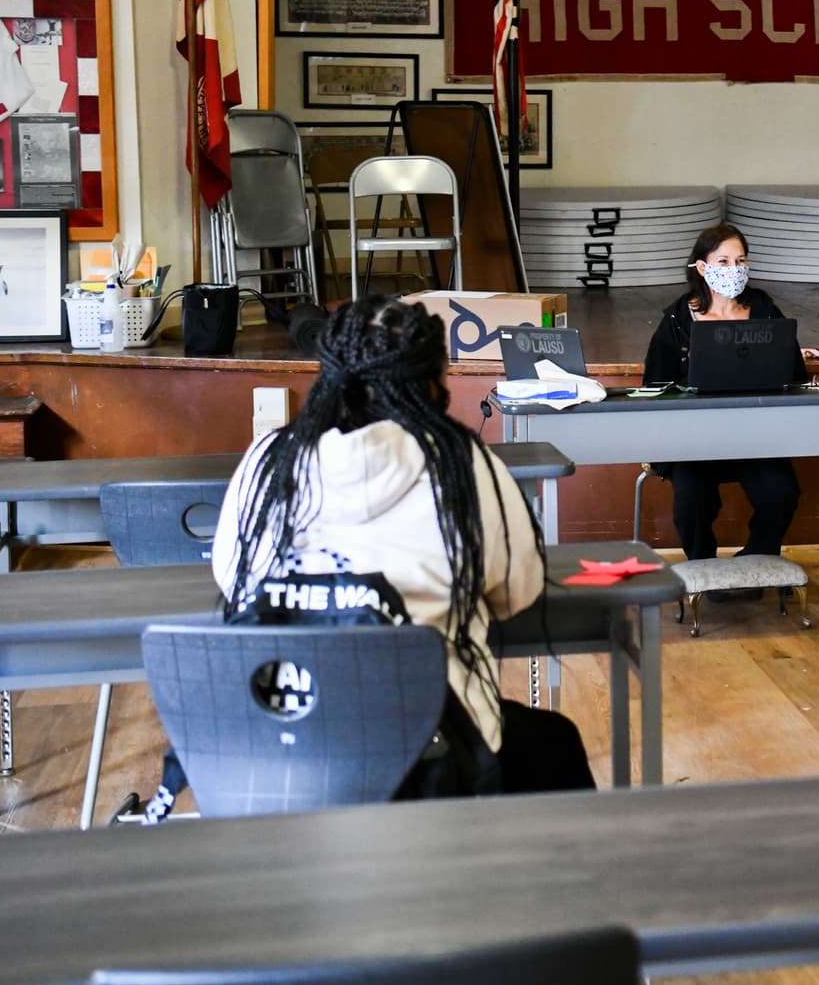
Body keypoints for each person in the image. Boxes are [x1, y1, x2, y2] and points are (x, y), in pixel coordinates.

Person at [210, 295, 594, 794]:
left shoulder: (269, 461)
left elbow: (232, 577)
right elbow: (515, 592)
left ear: (327, 375)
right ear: (433, 383)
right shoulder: (461, 462)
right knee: (554, 742)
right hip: (431, 753)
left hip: (286, 746)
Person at [643, 223, 808, 569]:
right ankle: (704, 569)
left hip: (755, 436)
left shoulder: (762, 307)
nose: (734, 270)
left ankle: (756, 563)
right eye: (723, 262)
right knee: (691, 503)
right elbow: (654, 385)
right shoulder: (676, 319)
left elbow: (793, 373)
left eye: (740, 261)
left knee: (781, 493)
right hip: (695, 441)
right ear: (702, 268)